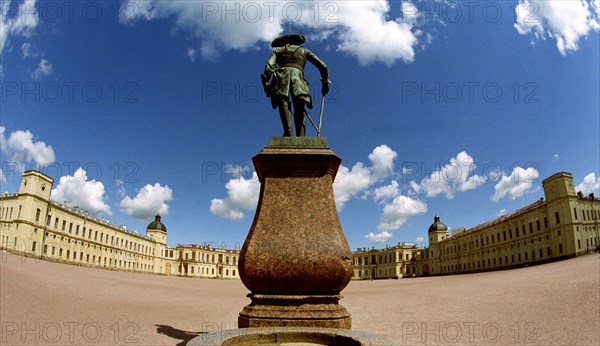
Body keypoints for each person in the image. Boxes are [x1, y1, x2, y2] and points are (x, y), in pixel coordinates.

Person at [261, 34, 329, 136]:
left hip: (281, 78)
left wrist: (266, 79)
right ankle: (301, 137)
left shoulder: (278, 51)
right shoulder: (305, 51)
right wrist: (324, 83)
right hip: (299, 79)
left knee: (283, 101)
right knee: (299, 107)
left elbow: (269, 66)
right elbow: (323, 66)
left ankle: (288, 132)